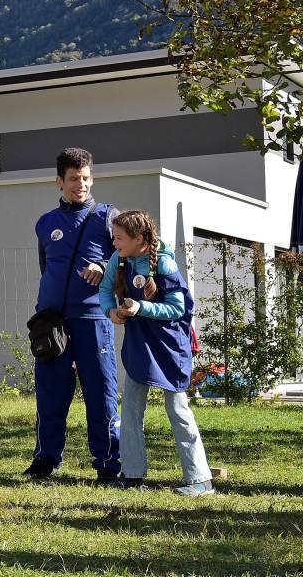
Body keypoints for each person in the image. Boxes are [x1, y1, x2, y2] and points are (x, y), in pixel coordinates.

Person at [100, 210, 214, 496]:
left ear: (139, 239)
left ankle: (200, 480)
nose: (114, 243)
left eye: (119, 238)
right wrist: (111, 311)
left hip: (169, 346)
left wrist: (141, 307)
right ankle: (132, 475)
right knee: (131, 408)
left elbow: (177, 308)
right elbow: (105, 289)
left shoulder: (164, 263)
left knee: (177, 409)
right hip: (139, 344)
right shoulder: (118, 259)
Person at [26, 147, 121, 482]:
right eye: (73, 179)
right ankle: (46, 459)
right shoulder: (45, 223)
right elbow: (46, 267)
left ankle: (108, 463)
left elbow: (125, 259)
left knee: (101, 392)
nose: (80, 184)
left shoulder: (107, 217)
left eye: (85, 178)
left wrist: (104, 267)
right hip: (51, 323)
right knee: (50, 393)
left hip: (94, 320)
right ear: (59, 182)